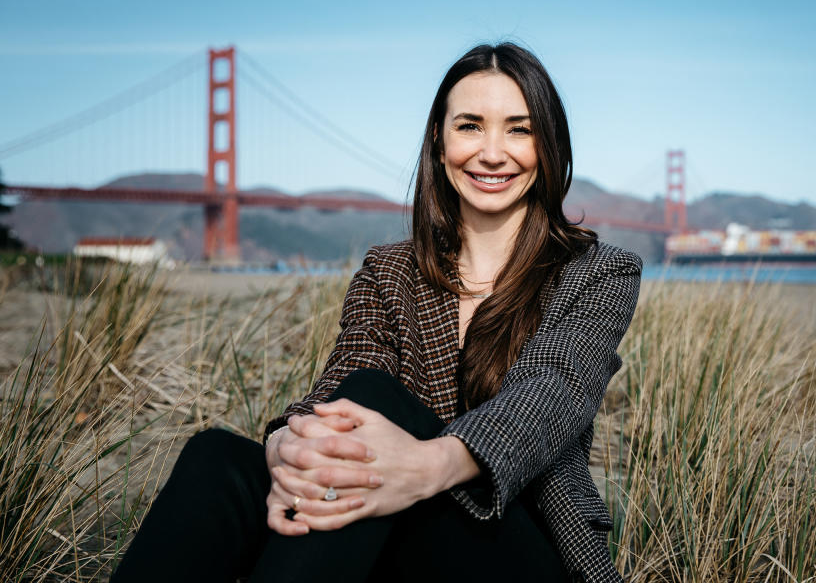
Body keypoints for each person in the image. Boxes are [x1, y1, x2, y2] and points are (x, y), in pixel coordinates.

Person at [111, 42, 642, 583]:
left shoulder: (599, 272)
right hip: (394, 531)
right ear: (439, 142)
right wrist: (285, 451)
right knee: (218, 459)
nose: (492, 152)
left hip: (518, 547)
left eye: (518, 129)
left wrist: (425, 467)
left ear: (548, 146)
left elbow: (551, 392)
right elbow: (342, 379)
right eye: (470, 126)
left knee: (371, 403)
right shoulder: (388, 271)